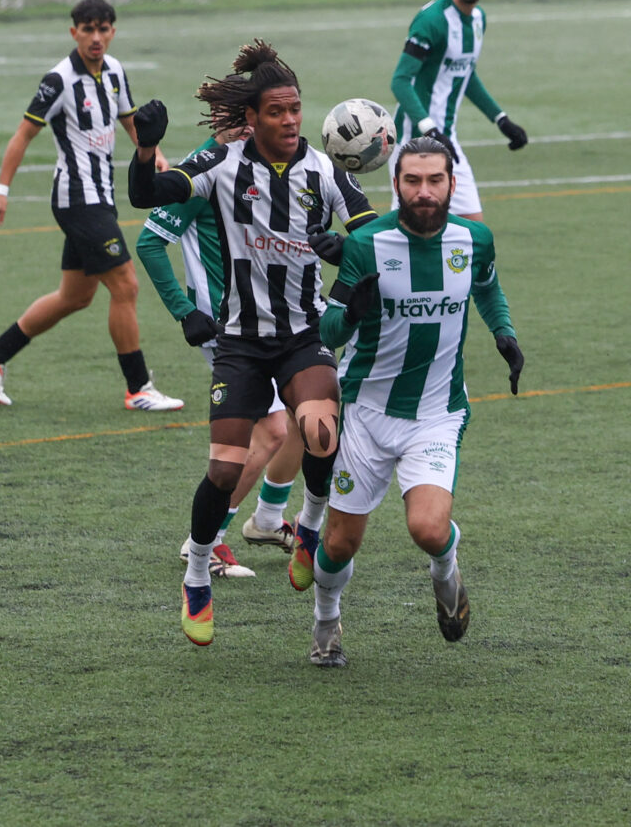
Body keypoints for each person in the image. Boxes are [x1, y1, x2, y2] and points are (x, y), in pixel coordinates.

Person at [126, 41, 379, 647]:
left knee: (321, 430)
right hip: (238, 340)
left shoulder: (327, 172)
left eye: (296, 109)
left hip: (303, 334)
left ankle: (308, 527)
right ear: (254, 117)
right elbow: (146, 199)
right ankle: (195, 573)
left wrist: (349, 256)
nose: (290, 121)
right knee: (223, 469)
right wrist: (141, 151)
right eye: (277, 112)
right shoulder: (219, 162)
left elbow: (376, 247)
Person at [303, 136, 524, 669]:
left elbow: (488, 288)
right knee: (338, 545)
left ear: (452, 183)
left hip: (436, 412)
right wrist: (352, 311)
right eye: (412, 181)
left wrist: (504, 334)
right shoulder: (366, 245)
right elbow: (328, 332)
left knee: (428, 530)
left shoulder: (474, 239)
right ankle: (326, 620)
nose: (424, 192)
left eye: (435, 180)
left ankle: (447, 577)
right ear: (396, 184)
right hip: (366, 415)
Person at [0, 0, 181, 411]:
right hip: (76, 199)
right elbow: (23, 135)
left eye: (104, 29)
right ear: (74, 33)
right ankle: (138, 387)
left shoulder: (116, 71)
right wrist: (2, 190)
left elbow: (128, 117)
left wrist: (149, 149)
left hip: (101, 196)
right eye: (88, 29)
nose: (96, 37)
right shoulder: (59, 80)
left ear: (113, 32)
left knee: (75, 296)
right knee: (126, 284)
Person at [134, 124, 304, 580]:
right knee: (271, 431)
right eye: (244, 120)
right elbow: (150, 243)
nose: (255, 128)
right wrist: (184, 311)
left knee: (306, 412)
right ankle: (203, 545)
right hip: (224, 323)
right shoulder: (202, 170)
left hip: (267, 318)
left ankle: (267, 520)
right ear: (222, 121)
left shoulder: (252, 161)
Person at [389, 0, 527, 221]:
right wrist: (429, 130)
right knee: (410, 231)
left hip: (447, 139)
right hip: (414, 139)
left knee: (472, 229)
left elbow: (465, 75)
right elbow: (400, 81)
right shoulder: (431, 21)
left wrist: (501, 119)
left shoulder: (478, 20)